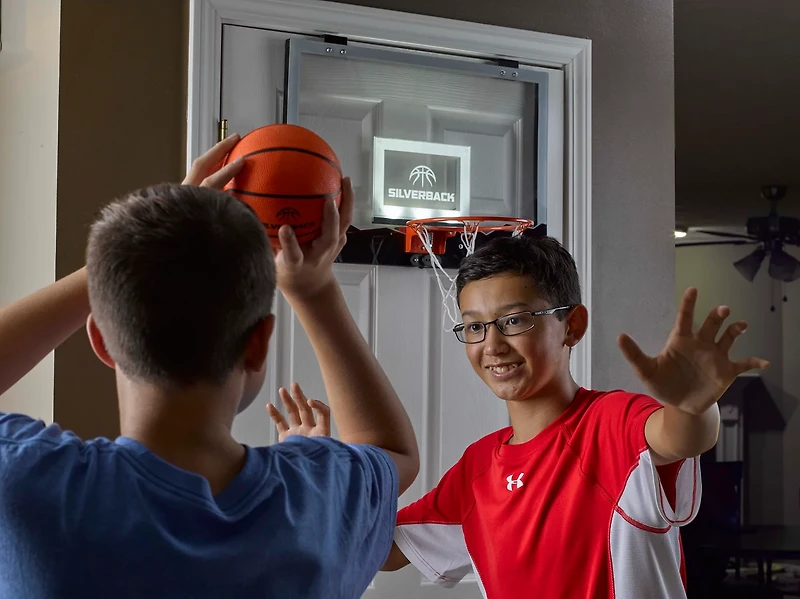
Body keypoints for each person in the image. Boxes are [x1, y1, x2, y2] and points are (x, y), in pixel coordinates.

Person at [0, 135, 419, 599]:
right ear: (258, 344)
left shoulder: (30, 487)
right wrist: (314, 291)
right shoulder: (318, 498)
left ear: (100, 339)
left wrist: (120, 265)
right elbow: (392, 450)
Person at [273, 235, 768, 598]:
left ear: (571, 325)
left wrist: (694, 403)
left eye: (514, 320)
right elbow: (378, 551)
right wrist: (322, 475)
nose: (492, 344)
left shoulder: (612, 423)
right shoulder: (477, 470)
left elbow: (682, 437)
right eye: (474, 327)